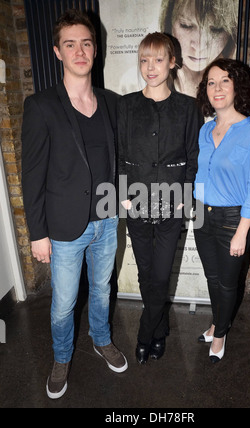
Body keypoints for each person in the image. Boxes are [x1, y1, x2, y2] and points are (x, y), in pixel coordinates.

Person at [21, 9, 128, 400]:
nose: (79, 50)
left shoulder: (112, 103)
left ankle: (101, 340)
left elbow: (119, 158)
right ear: (57, 52)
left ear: (94, 50)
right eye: (70, 44)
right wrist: (38, 234)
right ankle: (62, 357)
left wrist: (125, 194)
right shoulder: (41, 106)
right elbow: (31, 174)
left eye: (86, 42)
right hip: (64, 227)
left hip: (106, 218)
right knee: (64, 303)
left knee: (102, 289)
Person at [118, 32, 202, 364]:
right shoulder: (125, 105)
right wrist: (123, 195)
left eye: (157, 59)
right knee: (145, 272)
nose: (150, 67)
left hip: (172, 203)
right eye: (144, 59)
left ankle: (144, 334)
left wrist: (184, 193)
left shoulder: (187, 107)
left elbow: (193, 156)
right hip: (134, 203)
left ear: (171, 62)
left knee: (161, 273)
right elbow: (118, 153)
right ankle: (160, 329)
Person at [193, 58, 250, 363]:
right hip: (202, 216)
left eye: (224, 80)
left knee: (227, 282)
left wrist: (242, 231)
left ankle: (220, 334)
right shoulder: (205, 130)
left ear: (237, 85)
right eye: (211, 82)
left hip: (232, 220)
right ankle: (216, 322)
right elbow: (201, 174)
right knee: (212, 278)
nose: (217, 88)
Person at [160, 0, 238, 97]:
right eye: (186, 25)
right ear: (169, 25)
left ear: (231, 33)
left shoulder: (238, 85)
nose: (199, 47)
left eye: (216, 29)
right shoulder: (157, 83)